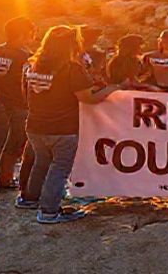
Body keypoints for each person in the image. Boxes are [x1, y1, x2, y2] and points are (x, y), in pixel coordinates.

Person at [17, 25, 118, 224]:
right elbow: (87, 98)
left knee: (41, 162)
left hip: (35, 126)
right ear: (72, 44)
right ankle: (49, 211)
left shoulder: (32, 65)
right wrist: (112, 90)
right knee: (60, 168)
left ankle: (29, 199)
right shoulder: (72, 68)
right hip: (63, 128)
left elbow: (25, 93)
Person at [0, 16, 37, 192]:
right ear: (24, 33)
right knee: (15, 143)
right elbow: (28, 84)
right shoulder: (25, 56)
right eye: (32, 32)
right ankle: (5, 179)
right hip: (17, 105)